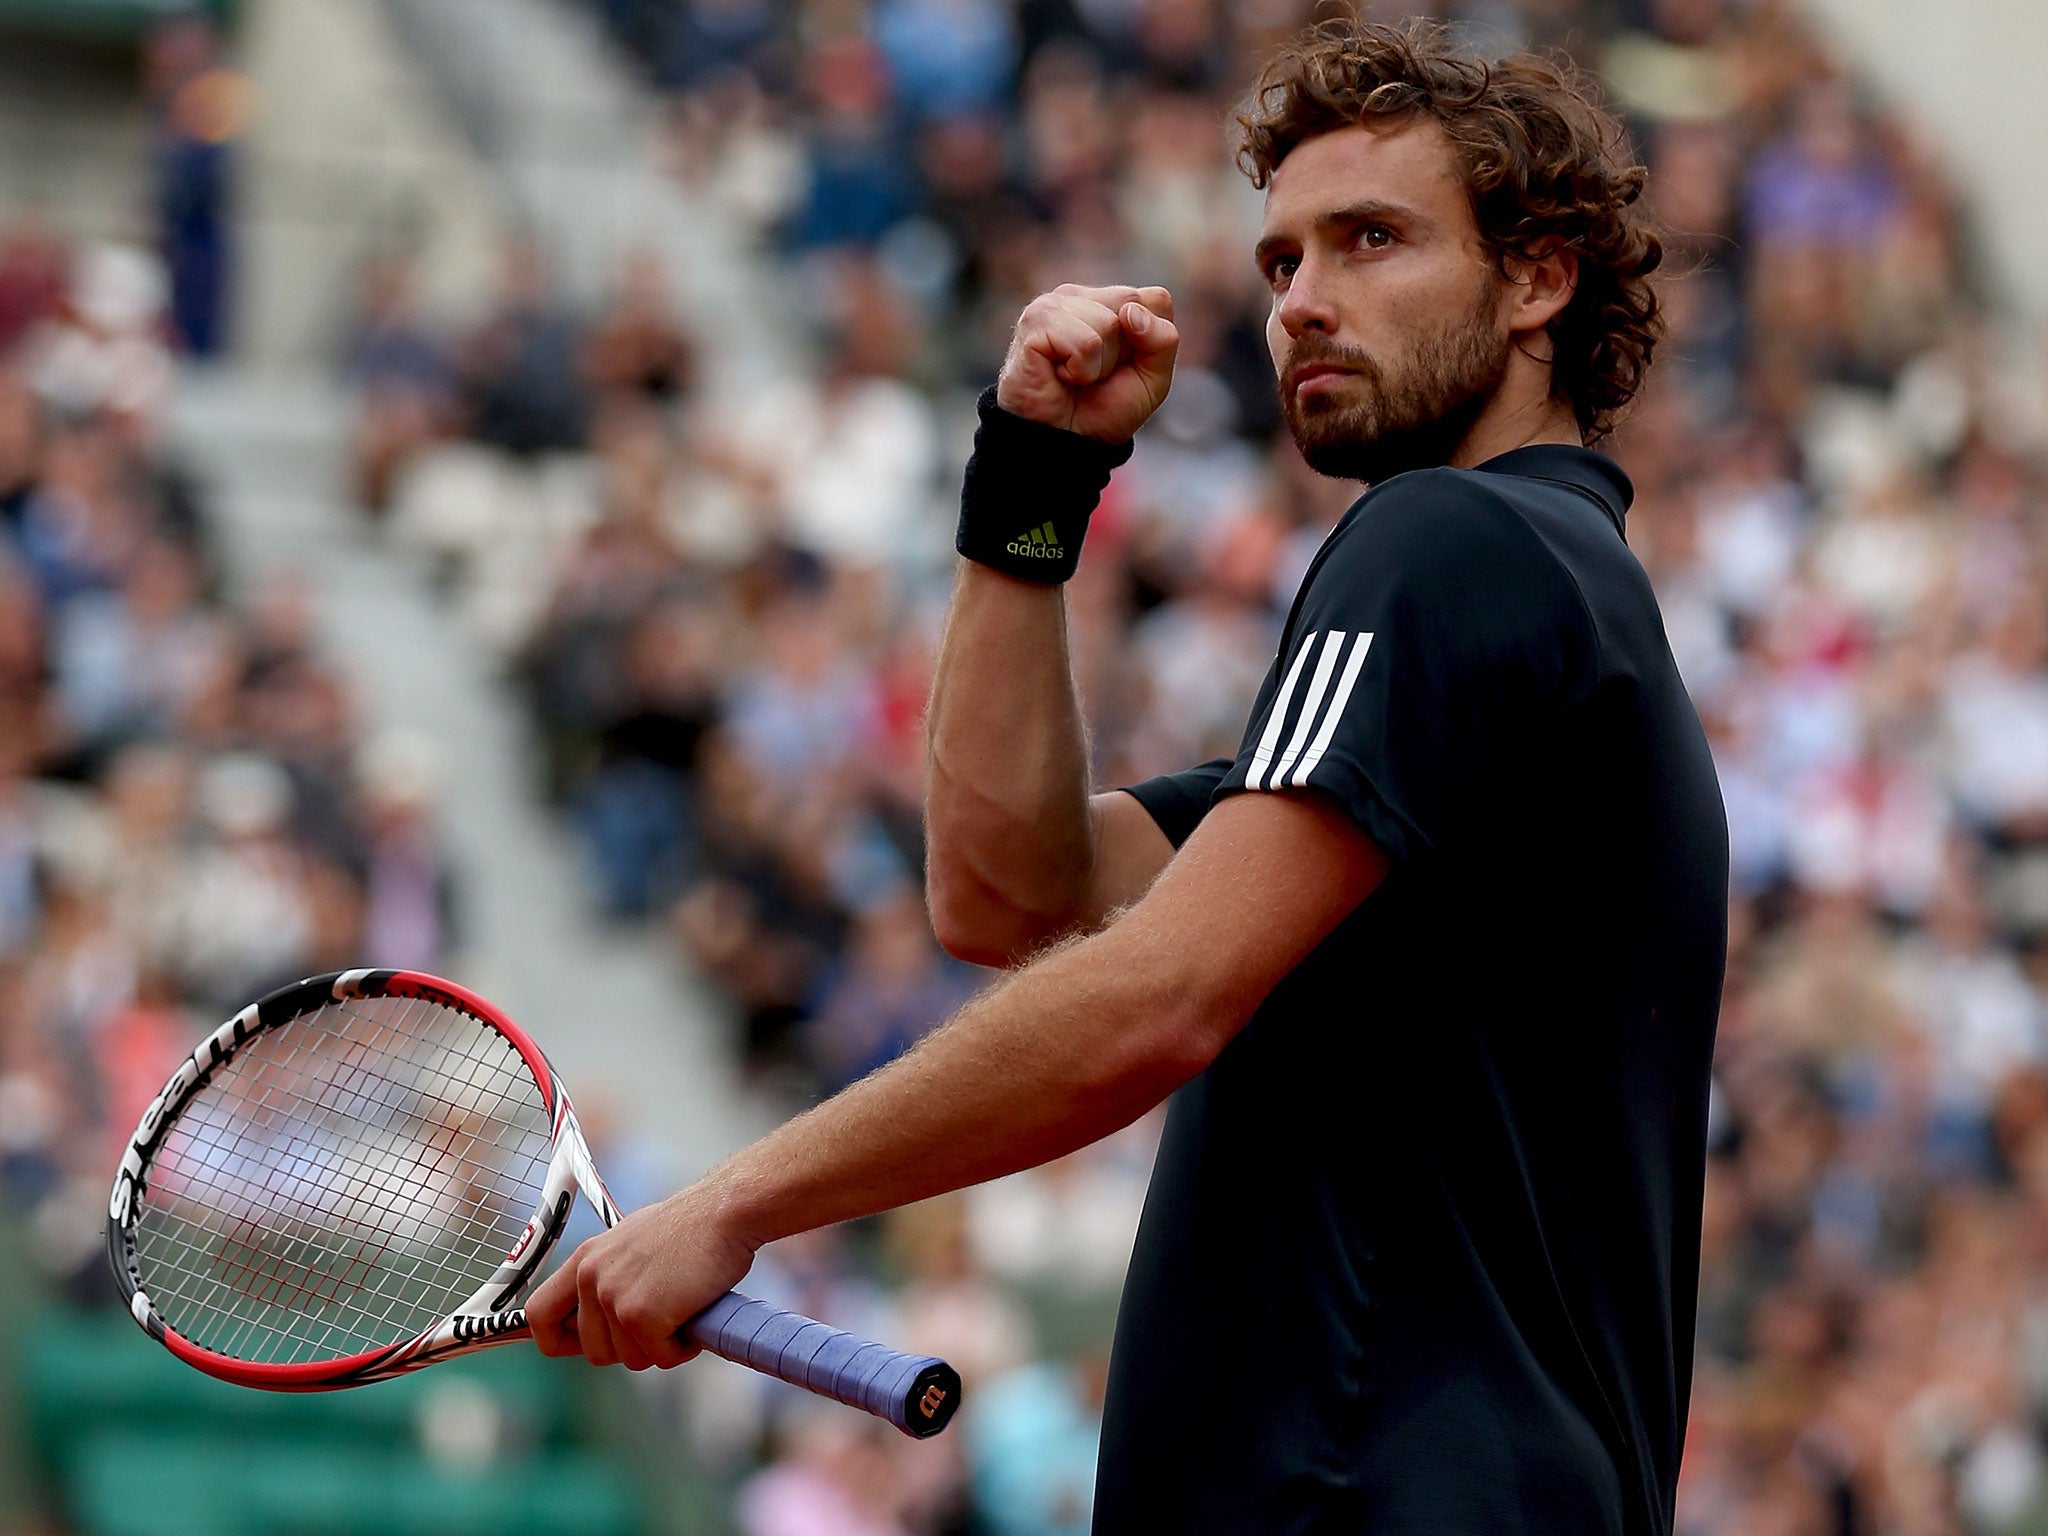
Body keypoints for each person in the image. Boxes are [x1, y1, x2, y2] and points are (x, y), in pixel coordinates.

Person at [530, 20, 1729, 1536]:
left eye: (1372, 240)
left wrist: (735, 1199)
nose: (1304, 300)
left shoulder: (1456, 543)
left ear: (1539, 277)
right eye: (1283, 260)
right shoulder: (1545, 620)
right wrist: (1032, 481)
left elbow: (1156, 995)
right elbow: (1007, 892)